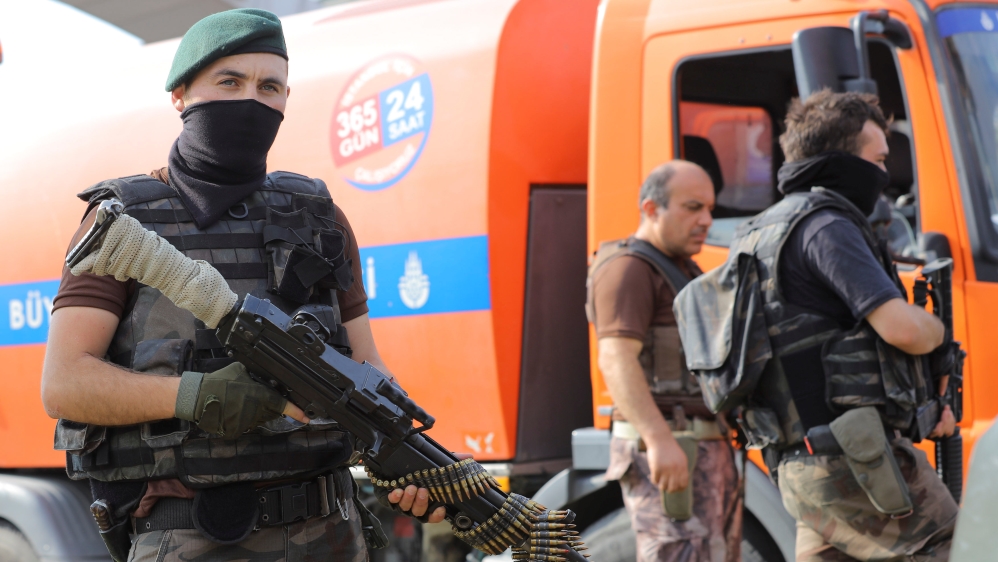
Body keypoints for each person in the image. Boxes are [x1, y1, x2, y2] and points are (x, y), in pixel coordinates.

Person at [40, 9, 441, 560]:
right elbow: (63, 384)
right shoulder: (125, 225)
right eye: (230, 81)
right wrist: (194, 397)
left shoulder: (319, 217)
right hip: (195, 536)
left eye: (269, 86)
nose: (252, 100)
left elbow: (366, 364)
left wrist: (407, 459)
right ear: (180, 95)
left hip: (333, 532)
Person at [695, 90, 958, 561]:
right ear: (842, 160)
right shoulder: (825, 226)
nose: (883, 175)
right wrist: (936, 328)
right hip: (856, 458)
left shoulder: (757, 232)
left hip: (802, 465)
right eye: (877, 160)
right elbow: (903, 329)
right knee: (958, 545)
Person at [586, 160, 742, 562]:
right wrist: (658, 440)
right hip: (674, 446)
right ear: (652, 209)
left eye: (710, 209)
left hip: (702, 447)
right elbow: (616, 358)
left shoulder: (681, 268)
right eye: (693, 207)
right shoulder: (628, 269)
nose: (706, 220)